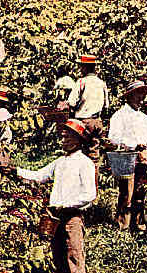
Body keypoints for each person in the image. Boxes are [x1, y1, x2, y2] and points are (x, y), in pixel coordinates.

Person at [8, 119, 96, 273]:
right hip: (56, 217)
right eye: (63, 135)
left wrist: (66, 204)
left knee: (74, 257)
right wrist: (15, 171)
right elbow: (40, 175)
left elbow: (90, 194)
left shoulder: (85, 163)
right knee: (58, 257)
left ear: (78, 140)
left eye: (67, 136)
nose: (63, 138)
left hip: (72, 216)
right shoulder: (60, 162)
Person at [108, 80, 147, 231]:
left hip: (142, 157)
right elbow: (113, 138)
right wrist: (133, 144)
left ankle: (138, 223)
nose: (141, 98)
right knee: (127, 192)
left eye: (143, 94)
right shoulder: (119, 115)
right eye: (138, 94)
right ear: (129, 96)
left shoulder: (143, 118)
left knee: (141, 191)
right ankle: (123, 225)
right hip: (126, 157)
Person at [59, 54, 109, 191]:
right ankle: (93, 190)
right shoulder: (101, 83)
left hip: (82, 122)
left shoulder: (81, 82)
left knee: (76, 155)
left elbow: (72, 103)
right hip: (97, 122)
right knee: (93, 157)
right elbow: (106, 106)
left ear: (85, 68)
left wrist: (63, 104)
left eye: (81, 66)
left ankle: (77, 189)